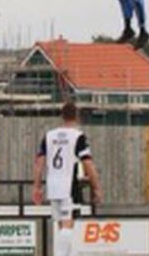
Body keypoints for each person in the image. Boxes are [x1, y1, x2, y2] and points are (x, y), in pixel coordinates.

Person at [32, 102, 103, 256]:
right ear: (76, 116)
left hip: (53, 186)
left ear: (61, 116)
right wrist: (96, 188)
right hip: (69, 186)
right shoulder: (78, 136)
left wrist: (37, 187)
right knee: (68, 225)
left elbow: (39, 163)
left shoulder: (49, 136)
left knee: (62, 227)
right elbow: (88, 164)